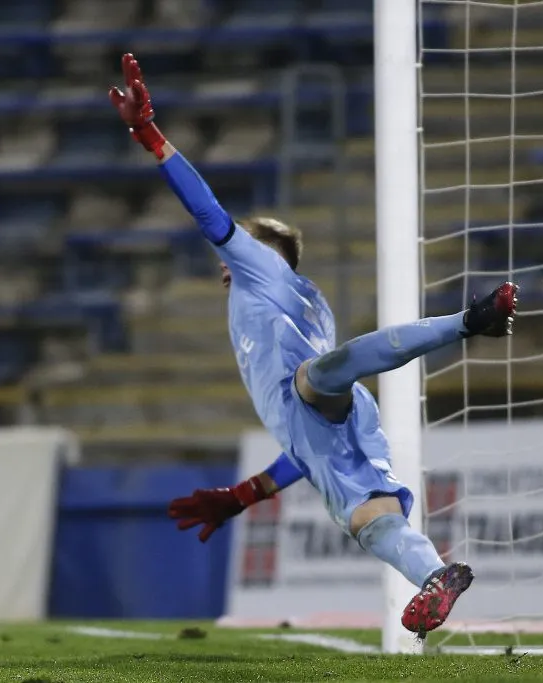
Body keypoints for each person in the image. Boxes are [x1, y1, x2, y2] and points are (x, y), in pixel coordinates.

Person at [109, 54, 518, 637]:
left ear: (260, 250)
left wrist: (150, 135)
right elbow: (302, 442)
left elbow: (206, 211)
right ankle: (437, 574)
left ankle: (467, 321)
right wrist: (244, 495)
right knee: (373, 521)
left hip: (314, 385)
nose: (227, 253)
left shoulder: (261, 269)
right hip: (331, 418)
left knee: (322, 373)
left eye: (240, 244)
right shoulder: (307, 303)